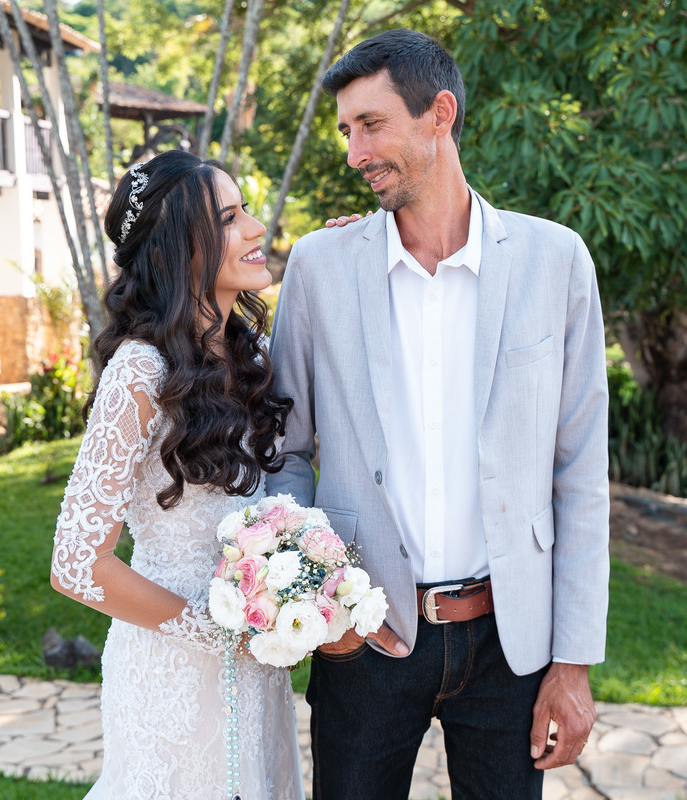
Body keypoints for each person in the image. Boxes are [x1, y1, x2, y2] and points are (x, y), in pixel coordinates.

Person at [267, 29, 610, 800]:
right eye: (347, 130)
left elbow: (581, 472)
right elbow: (283, 450)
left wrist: (574, 661)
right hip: (363, 641)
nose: (355, 152)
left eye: (372, 124)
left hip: (511, 645)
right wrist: (323, 602)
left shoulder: (556, 262)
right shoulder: (321, 268)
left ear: (439, 114)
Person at [49, 149, 304, 800]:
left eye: (246, 209)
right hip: (171, 670)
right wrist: (215, 631)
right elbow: (77, 563)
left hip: (255, 667)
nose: (254, 228)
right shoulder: (139, 372)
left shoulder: (251, 354)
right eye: (229, 218)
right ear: (178, 248)